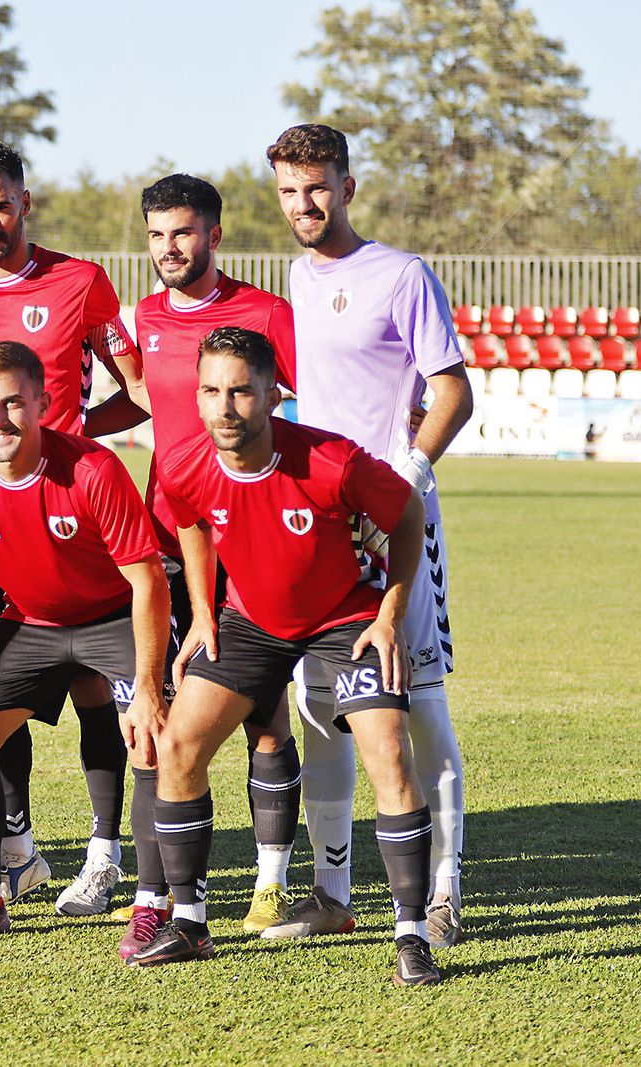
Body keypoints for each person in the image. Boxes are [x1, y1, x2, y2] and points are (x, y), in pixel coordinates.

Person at [134, 326, 440, 987]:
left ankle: (411, 935)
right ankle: (189, 922)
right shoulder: (185, 461)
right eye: (211, 390)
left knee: (387, 751)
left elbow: (407, 514)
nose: (224, 407)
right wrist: (204, 612)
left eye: (242, 391)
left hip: (345, 618)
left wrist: (389, 613)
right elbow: (189, 520)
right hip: (252, 622)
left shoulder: (331, 461)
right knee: (179, 744)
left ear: (275, 394)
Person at [263, 125, 474, 947]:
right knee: (323, 709)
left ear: (348, 186)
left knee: (416, 703)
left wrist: (405, 479)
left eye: (316, 187)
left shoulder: (402, 275)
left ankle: (445, 894)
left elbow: (452, 390)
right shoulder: (296, 278)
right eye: (288, 190)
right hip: (317, 527)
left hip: (392, 523)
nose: (303, 204)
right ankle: (333, 891)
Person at [0, 143, 154, 914]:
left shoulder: (80, 281)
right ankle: (19, 849)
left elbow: (140, 390)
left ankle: (104, 856)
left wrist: (72, 437)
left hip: (70, 510)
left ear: (25, 203)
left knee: (98, 686)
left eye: (1, 205)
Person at [0, 341, 169, 943]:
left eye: (12, 404)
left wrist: (150, 688)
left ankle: (155, 902)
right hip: (30, 623)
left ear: (44, 403)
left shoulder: (92, 469)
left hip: (113, 618)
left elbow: (148, 580)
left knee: (153, 739)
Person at [126, 172, 303, 939]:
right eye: (159, 234)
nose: (171, 248)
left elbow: (305, 405)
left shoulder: (265, 313)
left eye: (185, 233)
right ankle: (161, 892)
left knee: (264, 719)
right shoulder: (146, 316)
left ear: (214, 236)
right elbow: (144, 399)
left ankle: (270, 882)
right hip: (168, 537)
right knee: (161, 714)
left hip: (252, 538)